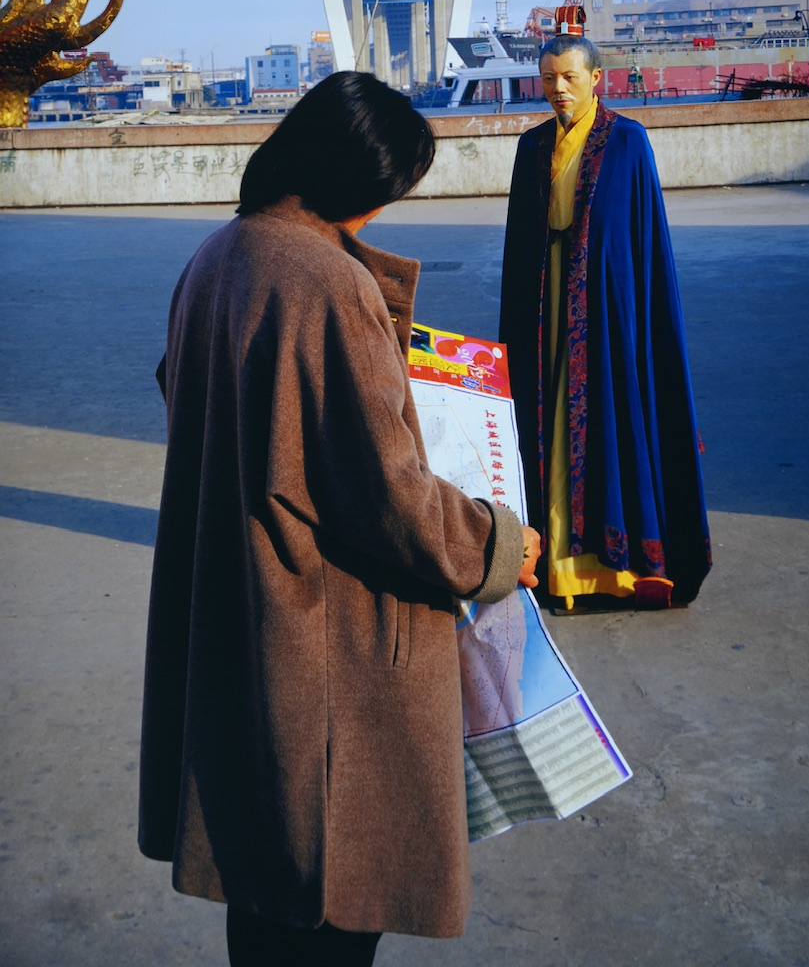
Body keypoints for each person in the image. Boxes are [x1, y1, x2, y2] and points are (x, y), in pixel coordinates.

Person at [138, 70, 540, 967]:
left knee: (266, 884)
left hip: (242, 610)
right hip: (325, 638)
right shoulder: (323, 280)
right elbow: (384, 492)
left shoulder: (218, 255)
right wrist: (498, 544)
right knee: (332, 887)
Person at [499, 32, 711, 614]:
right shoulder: (532, 146)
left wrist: (637, 317)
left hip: (609, 313)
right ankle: (556, 566)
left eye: (569, 77)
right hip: (545, 311)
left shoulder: (628, 142)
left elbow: (645, 243)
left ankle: (617, 567)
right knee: (550, 422)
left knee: (610, 420)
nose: (558, 89)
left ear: (596, 78)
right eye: (548, 78)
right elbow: (519, 248)